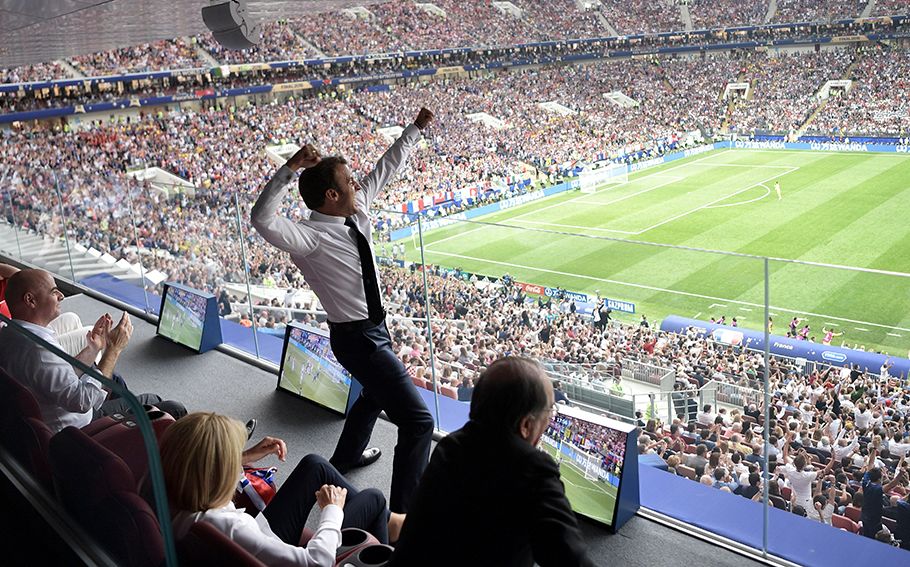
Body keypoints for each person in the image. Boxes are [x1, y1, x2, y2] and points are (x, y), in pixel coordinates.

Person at [251, 107, 436, 513]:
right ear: (331, 195)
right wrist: (289, 169)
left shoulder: (356, 211)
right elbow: (261, 218)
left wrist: (416, 130)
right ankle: (404, 519)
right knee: (419, 423)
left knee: (374, 394)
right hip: (356, 339)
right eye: (350, 182)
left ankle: (347, 457)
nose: (359, 184)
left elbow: (386, 168)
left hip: (375, 330)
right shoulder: (308, 238)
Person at [388, 357, 593, 567]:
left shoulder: (449, 447)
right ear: (525, 425)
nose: (550, 419)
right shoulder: (533, 469)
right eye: (549, 411)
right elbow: (570, 559)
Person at [160, 412, 403, 567]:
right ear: (214, 474)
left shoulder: (171, 493)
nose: (236, 461)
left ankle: (389, 522)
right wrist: (332, 511)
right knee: (374, 498)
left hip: (262, 535)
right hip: (274, 547)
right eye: (230, 457)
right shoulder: (233, 528)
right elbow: (316, 563)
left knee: (314, 465)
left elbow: (202, 468)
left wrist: (247, 455)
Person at [0, 269, 185, 433]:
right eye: (53, 292)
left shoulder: (10, 334)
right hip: (79, 430)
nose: (61, 296)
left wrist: (93, 348)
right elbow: (82, 401)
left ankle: (132, 433)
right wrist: (113, 349)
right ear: (30, 300)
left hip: (56, 418)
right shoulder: (38, 350)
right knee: (170, 407)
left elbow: (59, 376)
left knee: (117, 381)